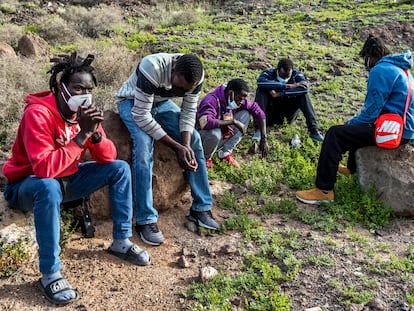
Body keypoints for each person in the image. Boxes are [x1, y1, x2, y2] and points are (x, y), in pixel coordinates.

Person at [2, 52, 150, 306]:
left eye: (89, 89)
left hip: (66, 182)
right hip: (26, 185)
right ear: (61, 88)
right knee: (48, 186)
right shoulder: (37, 114)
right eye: (78, 88)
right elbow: (44, 169)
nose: (84, 94)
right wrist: (81, 136)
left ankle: (121, 241)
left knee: (119, 169)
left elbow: (108, 156)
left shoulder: (84, 114)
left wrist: (95, 136)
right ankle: (50, 273)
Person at [116, 53, 220, 247]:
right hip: (132, 102)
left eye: (186, 89)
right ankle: (144, 219)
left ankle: (201, 207)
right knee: (144, 144)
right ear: (173, 71)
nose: (182, 92)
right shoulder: (152, 67)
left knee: (195, 138)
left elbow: (189, 112)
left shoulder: (196, 76)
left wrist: (186, 145)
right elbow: (141, 116)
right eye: (179, 87)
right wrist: (176, 146)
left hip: (160, 104)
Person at [296, 35, 414, 205]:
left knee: (336, 133)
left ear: (371, 55)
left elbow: (371, 112)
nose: (365, 64)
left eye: (365, 59)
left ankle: (324, 191)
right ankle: (351, 169)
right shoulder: (404, 71)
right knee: (358, 130)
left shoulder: (380, 70)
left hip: (392, 132)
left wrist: (350, 123)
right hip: (405, 131)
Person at [196, 78, 269, 169]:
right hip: (201, 139)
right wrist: (233, 122)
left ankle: (225, 153)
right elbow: (205, 123)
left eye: (243, 99)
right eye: (239, 98)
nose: (241, 102)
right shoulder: (211, 100)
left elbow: (258, 111)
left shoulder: (234, 100)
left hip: (218, 138)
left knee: (245, 114)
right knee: (215, 132)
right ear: (230, 93)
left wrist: (263, 138)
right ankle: (205, 158)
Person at [253, 57, 324, 143]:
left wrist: (281, 93)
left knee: (303, 96)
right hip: (270, 113)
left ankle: (314, 131)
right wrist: (287, 86)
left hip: (287, 114)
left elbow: (305, 89)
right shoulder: (268, 73)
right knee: (261, 91)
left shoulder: (297, 75)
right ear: (277, 70)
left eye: (288, 76)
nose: (285, 78)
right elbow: (260, 83)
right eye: (283, 76)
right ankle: (259, 129)